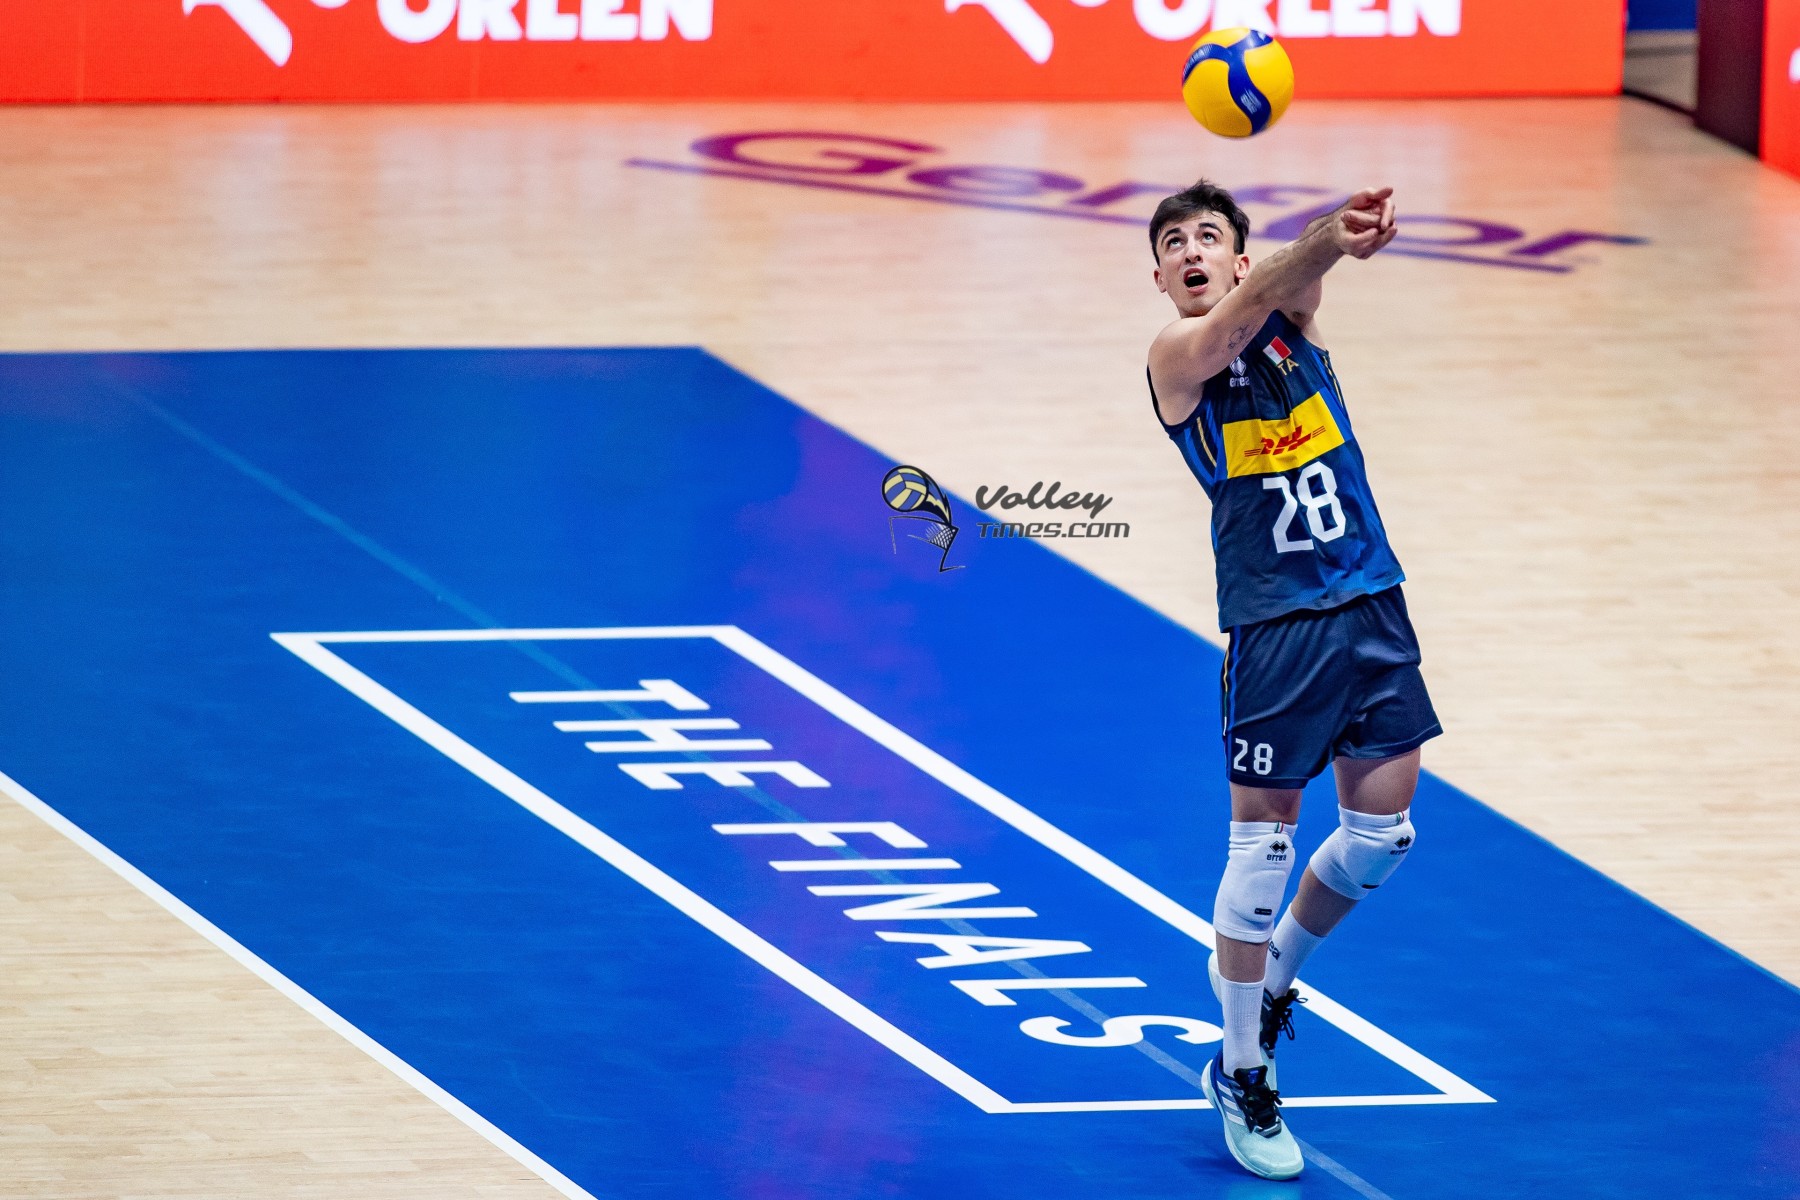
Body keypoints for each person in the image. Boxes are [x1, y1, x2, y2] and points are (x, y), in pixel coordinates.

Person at [1145, 180, 1441, 1181]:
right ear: (1160, 276)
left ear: (1241, 256)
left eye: (1209, 237)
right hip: (1274, 631)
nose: (1192, 251)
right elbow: (1251, 303)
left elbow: (1292, 283)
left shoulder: (1295, 321)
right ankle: (1240, 1069)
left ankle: (1271, 981)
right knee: (1263, 852)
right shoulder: (1177, 359)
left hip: (1371, 606)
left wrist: (1330, 244)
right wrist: (1322, 239)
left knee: (1382, 838)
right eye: (1174, 243)